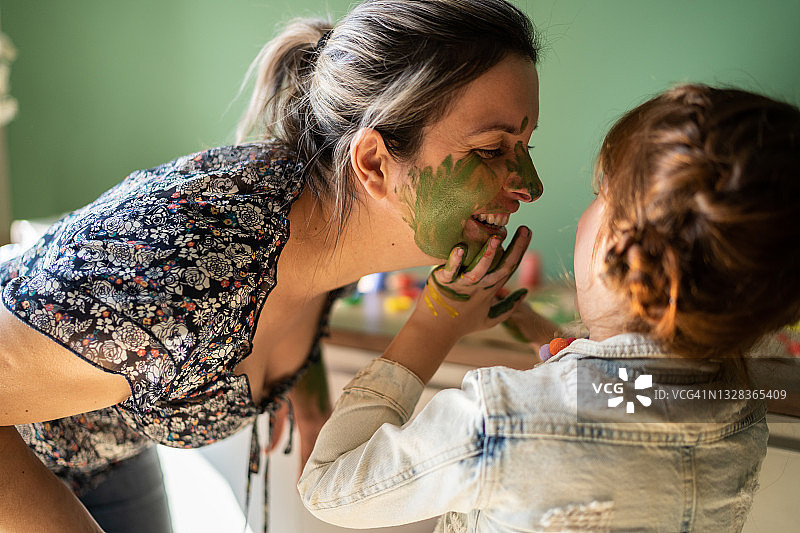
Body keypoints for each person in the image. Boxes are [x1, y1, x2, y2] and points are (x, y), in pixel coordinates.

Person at [0, 0, 544, 531]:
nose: (531, 186)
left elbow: (288, 287)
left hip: (109, 453)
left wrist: (302, 391)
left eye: (526, 145)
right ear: (375, 163)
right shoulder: (185, 270)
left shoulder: (327, 206)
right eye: (492, 149)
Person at [298, 84, 800, 532]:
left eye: (601, 194)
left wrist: (434, 322)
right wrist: (538, 328)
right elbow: (634, 392)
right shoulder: (738, 404)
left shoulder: (499, 424)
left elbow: (328, 486)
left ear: (621, 246)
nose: (530, 188)